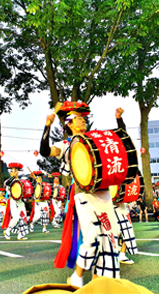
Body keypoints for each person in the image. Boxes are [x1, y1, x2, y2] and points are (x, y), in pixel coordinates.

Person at [42, 101, 135, 287]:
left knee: (110, 239)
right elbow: (45, 151)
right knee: (92, 237)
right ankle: (77, 276)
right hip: (82, 194)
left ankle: (99, 282)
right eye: (78, 118)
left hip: (104, 193)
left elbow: (119, 144)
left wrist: (119, 120)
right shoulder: (66, 145)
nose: (83, 120)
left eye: (83, 118)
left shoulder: (95, 139)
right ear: (69, 123)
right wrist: (47, 126)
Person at [2, 162, 30, 240]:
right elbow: (7, 184)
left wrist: (31, 179)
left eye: (16, 171)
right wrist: (13, 177)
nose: (15, 172)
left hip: (20, 201)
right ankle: (7, 231)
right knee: (16, 217)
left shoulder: (20, 181)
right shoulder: (8, 181)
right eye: (13, 171)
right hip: (12, 201)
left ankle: (20, 234)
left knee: (23, 217)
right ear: (10, 173)